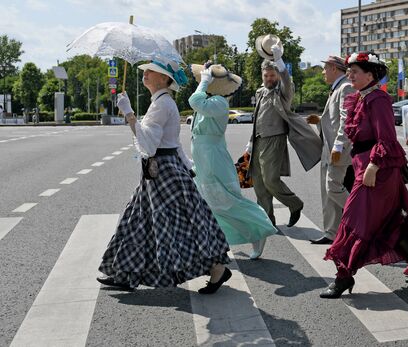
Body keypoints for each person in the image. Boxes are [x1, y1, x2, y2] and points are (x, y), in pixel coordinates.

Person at [97, 59, 232, 294]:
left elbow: (149, 145)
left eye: (152, 72)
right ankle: (124, 273)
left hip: (163, 173)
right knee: (138, 221)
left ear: (164, 79)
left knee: (173, 226)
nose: (146, 74)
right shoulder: (161, 102)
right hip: (161, 170)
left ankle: (217, 268)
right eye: (146, 71)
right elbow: (171, 142)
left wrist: (129, 113)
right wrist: (187, 165)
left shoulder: (162, 104)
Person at [321, 51, 408, 299]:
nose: (349, 75)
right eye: (349, 71)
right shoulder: (361, 98)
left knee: (353, 221)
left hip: (377, 170)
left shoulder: (378, 99)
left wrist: (374, 165)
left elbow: (386, 138)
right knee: (392, 222)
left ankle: (343, 276)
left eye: (355, 72)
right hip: (365, 166)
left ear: (371, 75)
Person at [188, 62, 278, 259]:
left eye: (205, 78)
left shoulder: (219, 102)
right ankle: (217, 245)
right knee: (209, 204)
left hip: (214, 159)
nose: (201, 80)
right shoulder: (207, 100)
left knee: (227, 202)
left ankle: (259, 230)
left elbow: (194, 101)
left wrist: (203, 83)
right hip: (203, 159)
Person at [247, 35, 322, 227]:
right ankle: (267, 222)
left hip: (274, 139)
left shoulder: (283, 91)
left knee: (271, 181)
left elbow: (287, 81)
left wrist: (279, 61)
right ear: (262, 75)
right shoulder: (260, 91)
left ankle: (294, 203)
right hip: (258, 140)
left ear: (277, 75)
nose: (269, 78)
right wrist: (250, 142)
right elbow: (257, 117)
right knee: (259, 183)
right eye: (266, 76)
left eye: (273, 75)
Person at [306, 56, 354, 245]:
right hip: (328, 148)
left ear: (334, 68)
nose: (323, 72)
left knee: (333, 188)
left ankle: (361, 220)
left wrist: (340, 145)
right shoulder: (337, 88)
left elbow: (346, 119)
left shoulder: (345, 87)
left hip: (337, 149)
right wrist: (320, 120)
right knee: (327, 194)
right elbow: (334, 119)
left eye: (325, 68)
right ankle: (331, 233)